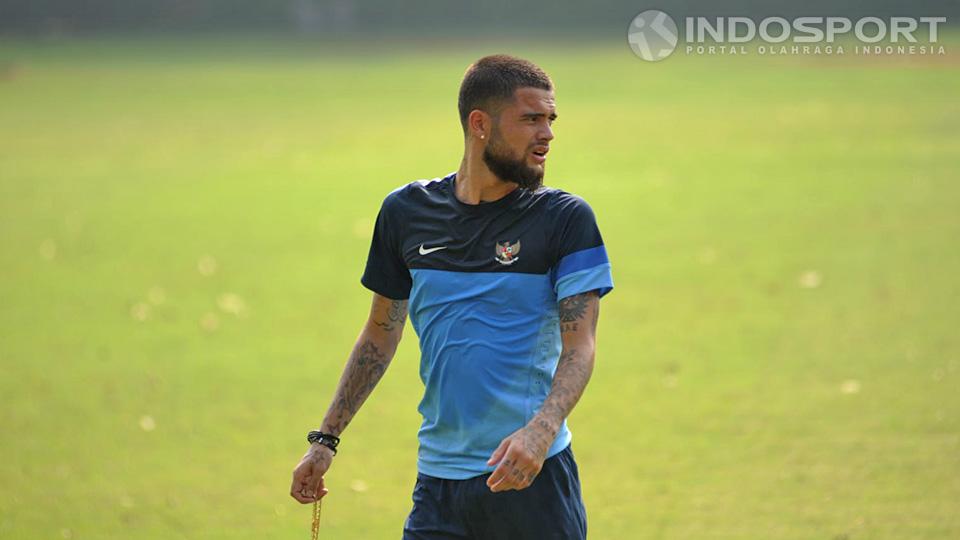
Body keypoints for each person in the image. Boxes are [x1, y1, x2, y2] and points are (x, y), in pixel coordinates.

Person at [290, 54, 613, 539]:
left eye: (550, 120)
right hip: (438, 487)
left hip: (532, 479)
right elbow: (380, 333)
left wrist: (541, 430)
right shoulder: (406, 214)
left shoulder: (565, 220)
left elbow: (580, 345)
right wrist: (325, 440)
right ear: (479, 124)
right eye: (530, 119)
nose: (546, 134)